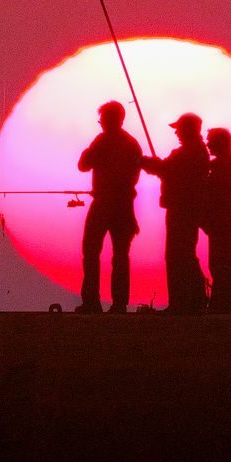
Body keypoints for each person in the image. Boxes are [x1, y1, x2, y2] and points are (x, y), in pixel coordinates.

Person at [76, 100, 143, 314]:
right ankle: (120, 304)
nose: (100, 123)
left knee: (91, 251)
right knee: (121, 256)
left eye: (102, 119)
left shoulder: (102, 141)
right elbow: (134, 175)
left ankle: (91, 302)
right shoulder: (132, 144)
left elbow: (83, 165)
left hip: (104, 204)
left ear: (108, 119)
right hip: (125, 206)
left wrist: (92, 149)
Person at [141, 113, 209, 314]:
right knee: (184, 255)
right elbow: (166, 169)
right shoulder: (193, 152)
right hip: (184, 209)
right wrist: (153, 164)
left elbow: (166, 169)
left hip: (183, 210)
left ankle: (183, 303)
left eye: (179, 128)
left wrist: (144, 162)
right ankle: (190, 302)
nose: (176, 132)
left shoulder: (191, 153)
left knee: (179, 256)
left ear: (189, 129)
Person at [204, 127, 231, 313]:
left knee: (221, 262)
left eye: (210, 140)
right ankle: (229, 302)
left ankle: (223, 304)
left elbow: (218, 195)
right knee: (227, 260)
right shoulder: (227, 163)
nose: (207, 144)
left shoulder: (225, 165)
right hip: (226, 220)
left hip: (223, 221)